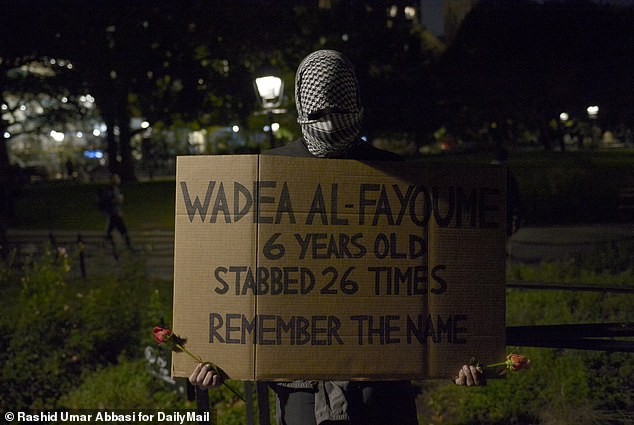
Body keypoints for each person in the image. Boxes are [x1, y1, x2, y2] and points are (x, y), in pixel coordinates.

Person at [190, 50, 483, 425]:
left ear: (357, 106)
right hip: (301, 395)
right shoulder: (267, 173)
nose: (330, 124)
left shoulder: (397, 176)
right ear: (300, 106)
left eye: (340, 113)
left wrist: (464, 354)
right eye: (318, 114)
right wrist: (211, 357)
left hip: (383, 390)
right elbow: (238, 280)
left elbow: (437, 276)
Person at [97, 173, 132, 257]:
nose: (118, 180)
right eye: (117, 178)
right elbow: (109, 201)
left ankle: (107, 246)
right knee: (123, 230)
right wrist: (117, 200)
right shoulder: (111, 190)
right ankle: (127, 247)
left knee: (110, 230)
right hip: (114, 214)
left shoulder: (115, 189)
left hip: (114, 213)